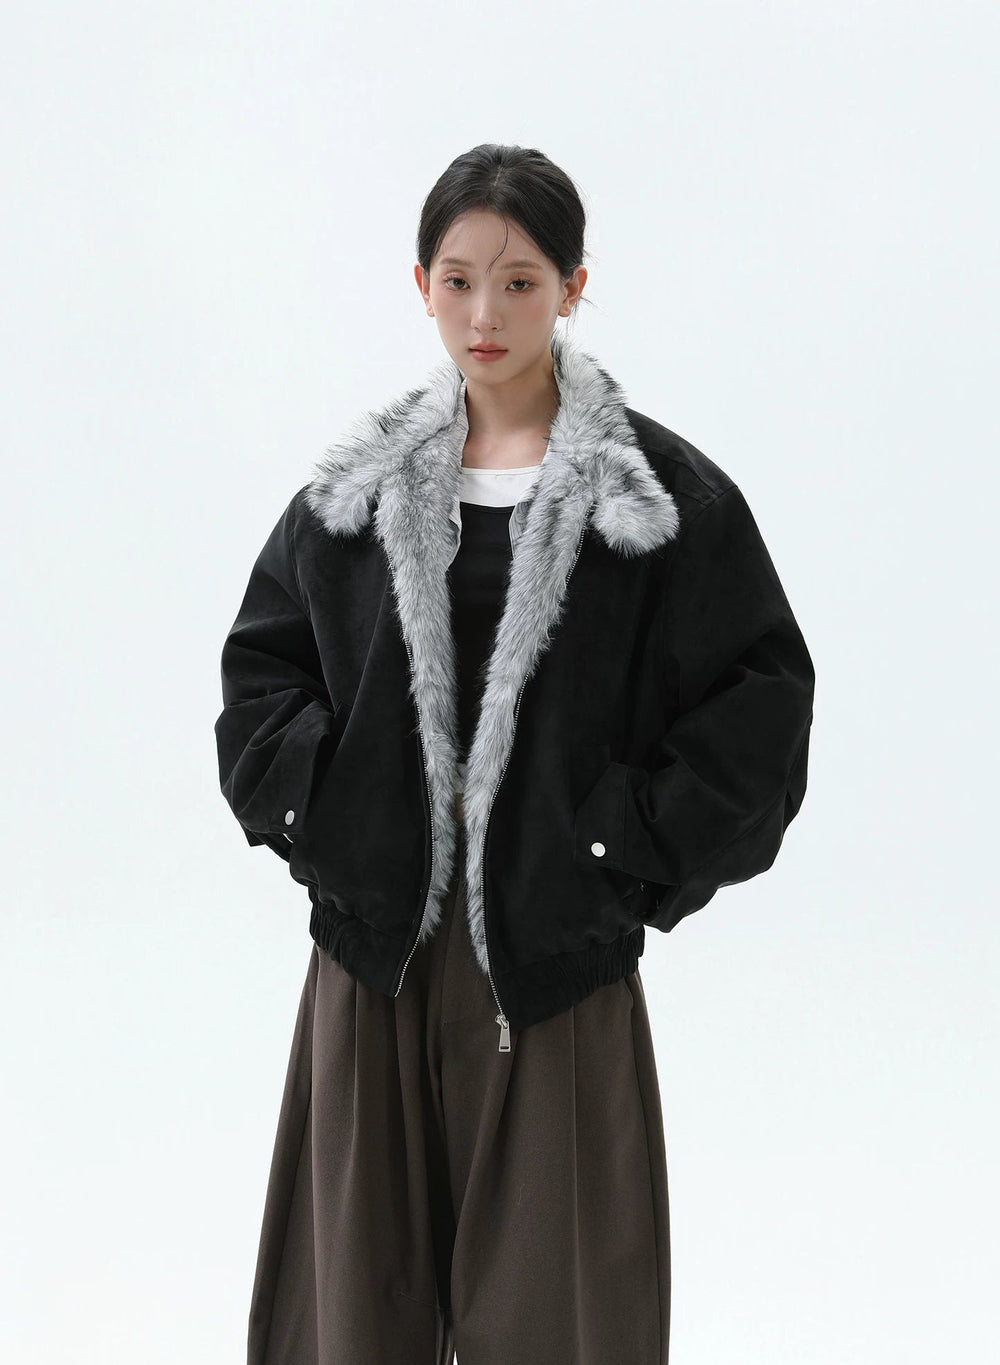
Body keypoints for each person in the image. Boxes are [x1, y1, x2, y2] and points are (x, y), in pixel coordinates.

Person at [214, 142, 815, 1365]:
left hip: (554, 968)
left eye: (521, 282)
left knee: (561, 1322)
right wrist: (334, 817)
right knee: (347, 1320)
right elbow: (260, 681)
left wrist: (616, 848)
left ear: (574, 287)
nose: (485, 313)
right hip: (372, 960)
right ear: (421, 286)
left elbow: (760, 709)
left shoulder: (659, 500)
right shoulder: (351, 497)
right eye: (458, 280)